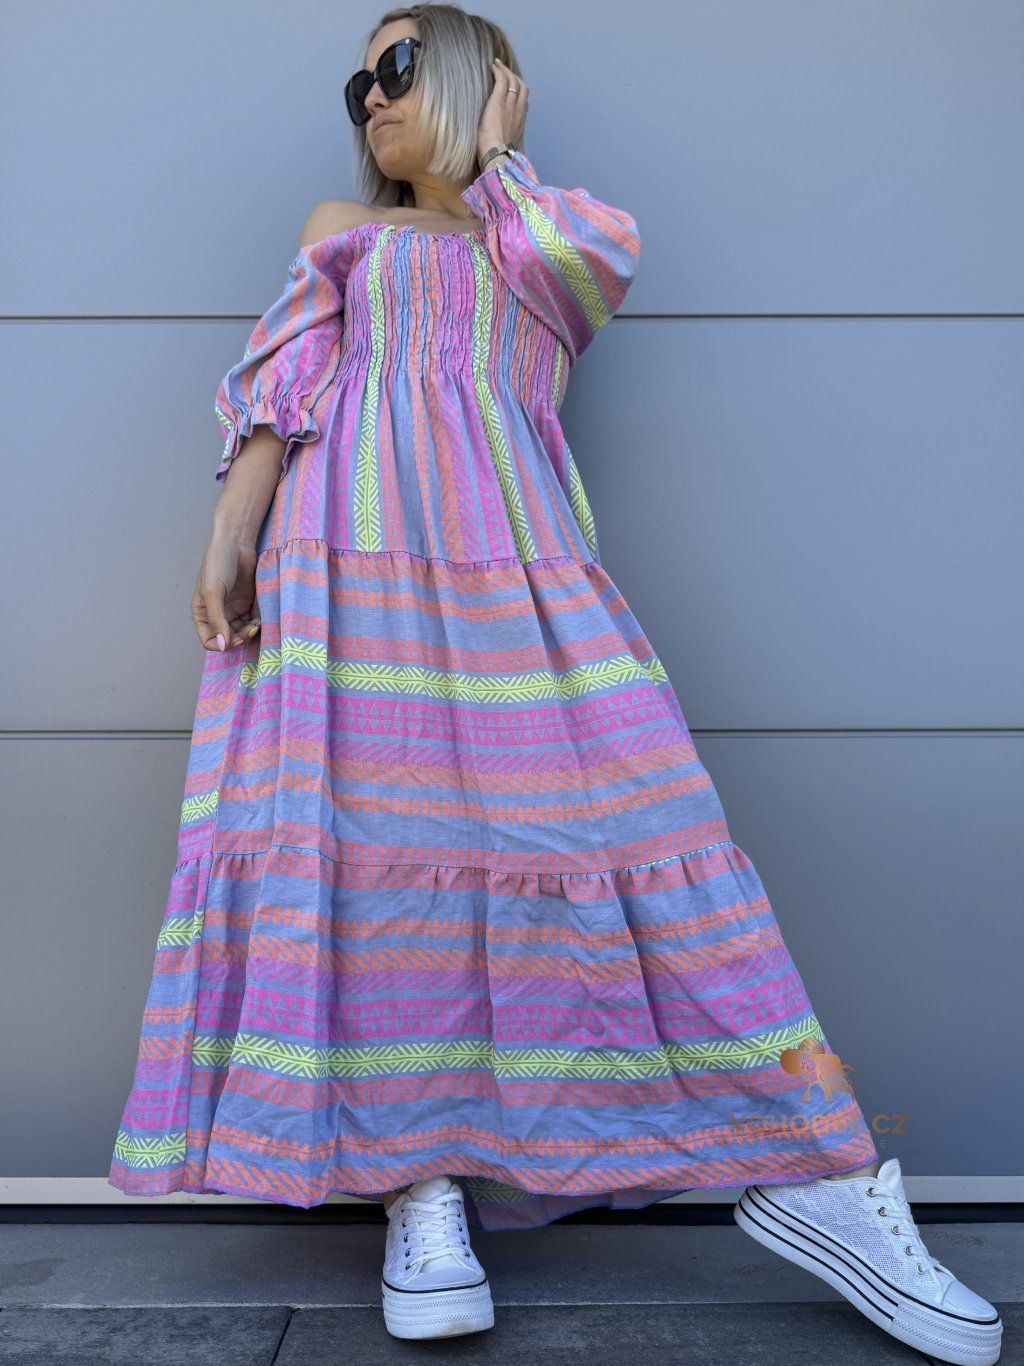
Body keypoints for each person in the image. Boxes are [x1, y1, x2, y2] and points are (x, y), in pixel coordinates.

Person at [108, 6, 1002, 1361]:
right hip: (345, 582)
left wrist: (495, 163)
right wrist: (231, 534)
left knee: (654, 834)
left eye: (398, 68)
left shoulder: (558, 232)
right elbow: (283, 389)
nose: (371, 98)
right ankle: (421, 1185)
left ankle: (818, 1172)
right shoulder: (341, 232)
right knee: (379, 870)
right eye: (360, 83)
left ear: (482, 82)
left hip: (520, 576)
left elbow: (575, 278)